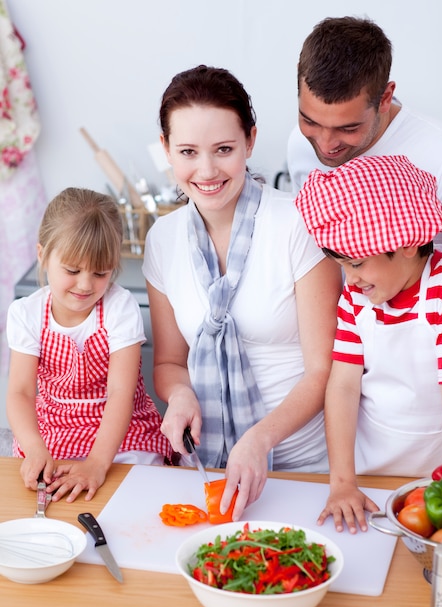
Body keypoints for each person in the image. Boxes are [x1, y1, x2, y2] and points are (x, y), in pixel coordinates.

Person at [143, 65, 342, 521]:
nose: (207, 170)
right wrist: (180, 397)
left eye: (224, 150)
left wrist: (260, 438)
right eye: (188, 151)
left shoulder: (297, 223)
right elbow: (171, 363)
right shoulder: (163, 240)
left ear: (250, 141)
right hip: (210, 468)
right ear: (166, 150)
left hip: (301, 467)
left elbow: (322, 370)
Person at [296, 154, 442, 534]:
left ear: (409, 243)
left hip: (435, 480)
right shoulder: (355, 300)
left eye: (358, 264)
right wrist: (343, 482)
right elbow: (344, 386)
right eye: (343, 266)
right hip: (369, 477)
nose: (350, 280)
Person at [6, 187, 173, 502]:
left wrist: (97, 462)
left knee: (137, 485)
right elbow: (21, 392)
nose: (85, 285)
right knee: (42, 489)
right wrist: (35, 447)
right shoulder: (26, 313)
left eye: (100, 273)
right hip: (54, 427)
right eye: (72, 270)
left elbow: (120, 393)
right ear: (42, 255)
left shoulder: (119, 306)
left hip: (121, 428)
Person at [287, 16, 442, 241]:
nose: (325, 145)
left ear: (385, 98)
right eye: (310, 121)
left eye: (348, 128)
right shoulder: (299, 143)